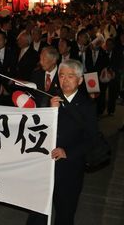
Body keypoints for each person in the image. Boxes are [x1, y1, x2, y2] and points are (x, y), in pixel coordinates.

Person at [26, 59, 99, 225]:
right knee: (38, 209)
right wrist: (51, 110)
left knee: (65, 210)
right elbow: (38, 127)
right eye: (62, 76)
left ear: (80, 80)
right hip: (46, 163)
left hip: (70, 167)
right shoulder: (51, 98)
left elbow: (92, 138)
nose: (65, 81)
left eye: (70, 76)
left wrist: (68, 152)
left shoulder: (86, 104)